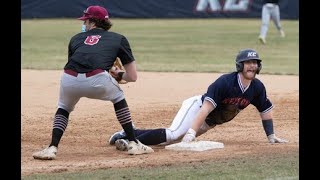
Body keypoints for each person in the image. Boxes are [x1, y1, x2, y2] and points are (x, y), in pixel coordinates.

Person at [32, 5, 154, 160]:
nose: (84, 24)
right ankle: (133, 142)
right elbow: (133, 77)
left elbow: (77, 63)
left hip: (69, 78)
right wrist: (117, 74)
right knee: (118, 97)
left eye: (86, 21)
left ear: (92, 22)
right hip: (97, 80)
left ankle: (52, 147)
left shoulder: (75, 38)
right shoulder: (118, 39)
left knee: (63, 108)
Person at [108, 48, 288, 151]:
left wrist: (271, 136)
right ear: (240, 65)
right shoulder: (225, 82)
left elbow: (265, 110)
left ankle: (128, 132)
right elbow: (205, 109)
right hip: (198, 108)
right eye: (248, 63)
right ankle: (133, 140)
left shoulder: (257, 87)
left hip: (210, 121)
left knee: (171, 141)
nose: (252, 66)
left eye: (255, 63)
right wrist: (191, 133)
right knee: (174, 135)